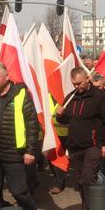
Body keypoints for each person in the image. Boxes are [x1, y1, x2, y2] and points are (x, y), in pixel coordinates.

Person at [0, 62, 39, 210]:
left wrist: (30, 151)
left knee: (19, 192)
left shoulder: (21, 94)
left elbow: (32, 124)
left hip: (13, 154)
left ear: (7, 77)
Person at [56, 67, 105, 210]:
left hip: (93, 145)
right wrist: (60, 115)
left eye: (79, 83)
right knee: (80, 181)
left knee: (88, 178)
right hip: (75, 147)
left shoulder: (99, 96)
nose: (77, 87)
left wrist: (103, 144)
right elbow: (65, 121)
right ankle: (87, 206)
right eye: (74, 84)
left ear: (87, 79)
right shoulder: (71, 97)